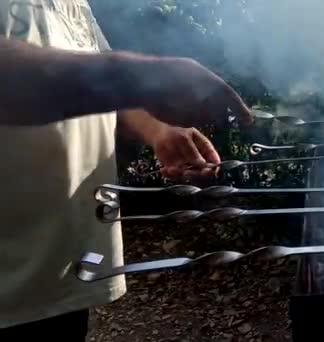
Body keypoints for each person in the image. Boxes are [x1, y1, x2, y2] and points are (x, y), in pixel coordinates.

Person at [0, 0, 253, 340]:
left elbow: (100, 87)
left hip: (63, 268)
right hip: (10, 282)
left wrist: (157, 130)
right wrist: (138, 75)